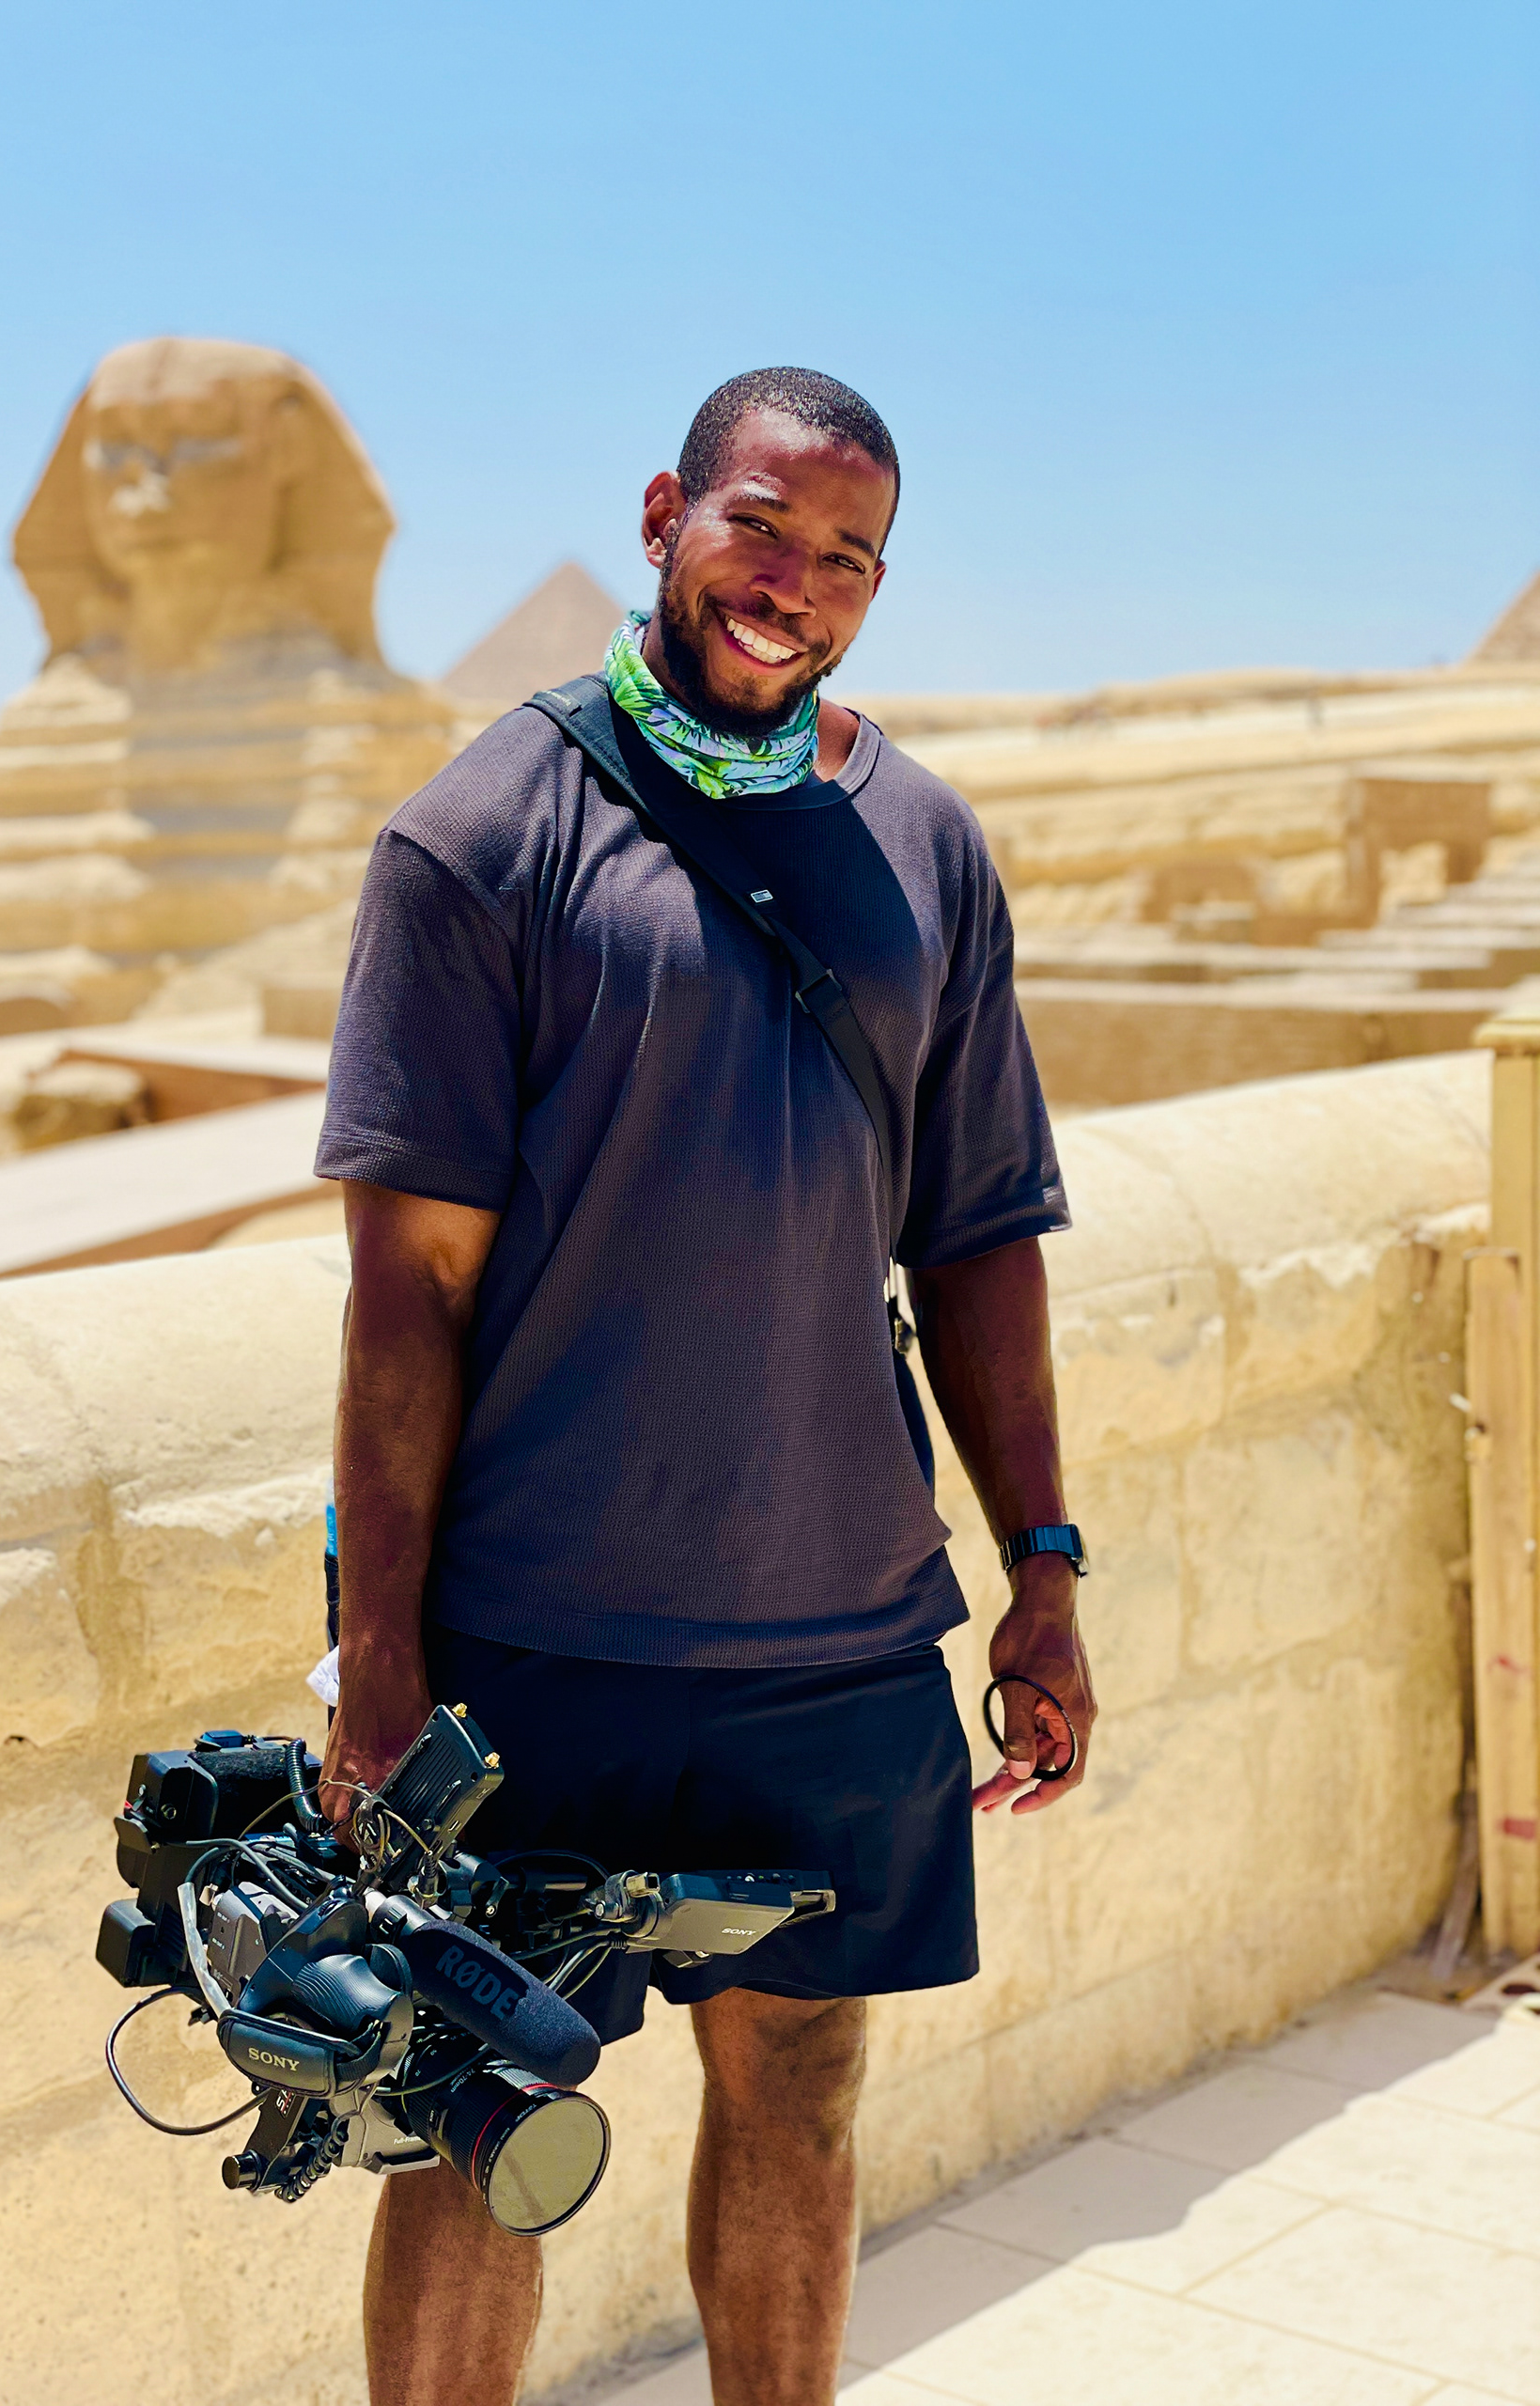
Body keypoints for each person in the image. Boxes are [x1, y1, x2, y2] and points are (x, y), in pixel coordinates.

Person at [315, 367, 1097, 2406]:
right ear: (665, 513)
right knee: (483, 2127)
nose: (794, 583)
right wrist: (377, 1662)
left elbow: (979, 1235)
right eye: (759, 525)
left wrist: (1044, 1564)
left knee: (806, 2096)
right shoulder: (481, 836)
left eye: (849, 556)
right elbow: (406, 1297)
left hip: (835, 1632)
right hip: (535, 1636)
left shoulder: (924, 844)